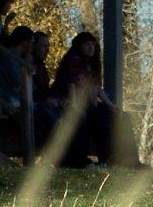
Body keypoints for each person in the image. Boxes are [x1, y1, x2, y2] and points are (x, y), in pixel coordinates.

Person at [50, 30, 116, 166]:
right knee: (89, 117)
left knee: (107, 114)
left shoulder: (91, 64)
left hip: (86, 103)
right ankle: (85, 161)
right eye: (87, 45)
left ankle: (107, 159)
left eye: (93, 45)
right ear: (79, 46)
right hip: (67, 102)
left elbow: (97, 88)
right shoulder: (73, 60)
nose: (91, 48)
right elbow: (71, 85)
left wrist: (111, 105)